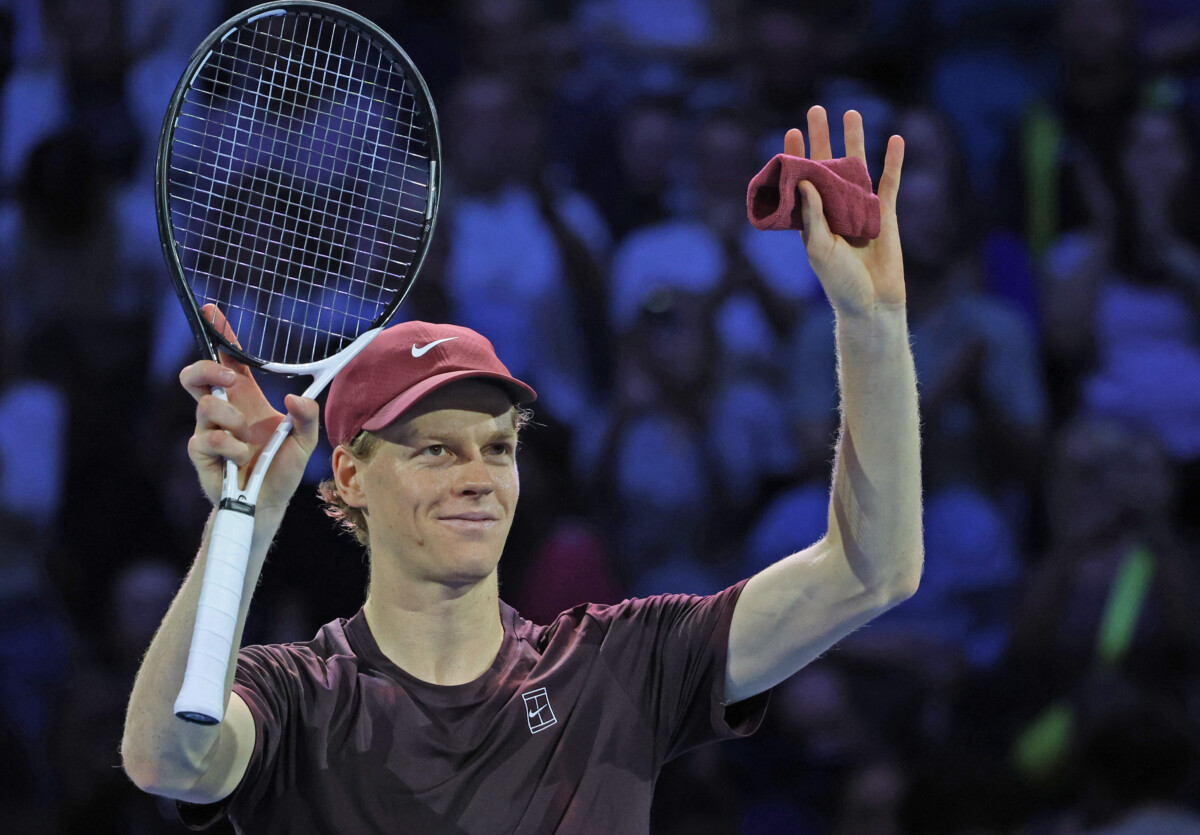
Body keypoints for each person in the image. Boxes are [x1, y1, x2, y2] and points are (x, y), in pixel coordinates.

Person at [120, 106, 922, 833]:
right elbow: (167, 760)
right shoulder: (297, 696)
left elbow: (871, 571)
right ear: (352, 477)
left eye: (498, 446)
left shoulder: (619, 665)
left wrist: (872, 321)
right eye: (435, 447)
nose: (478, 474)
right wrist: (246, 519)